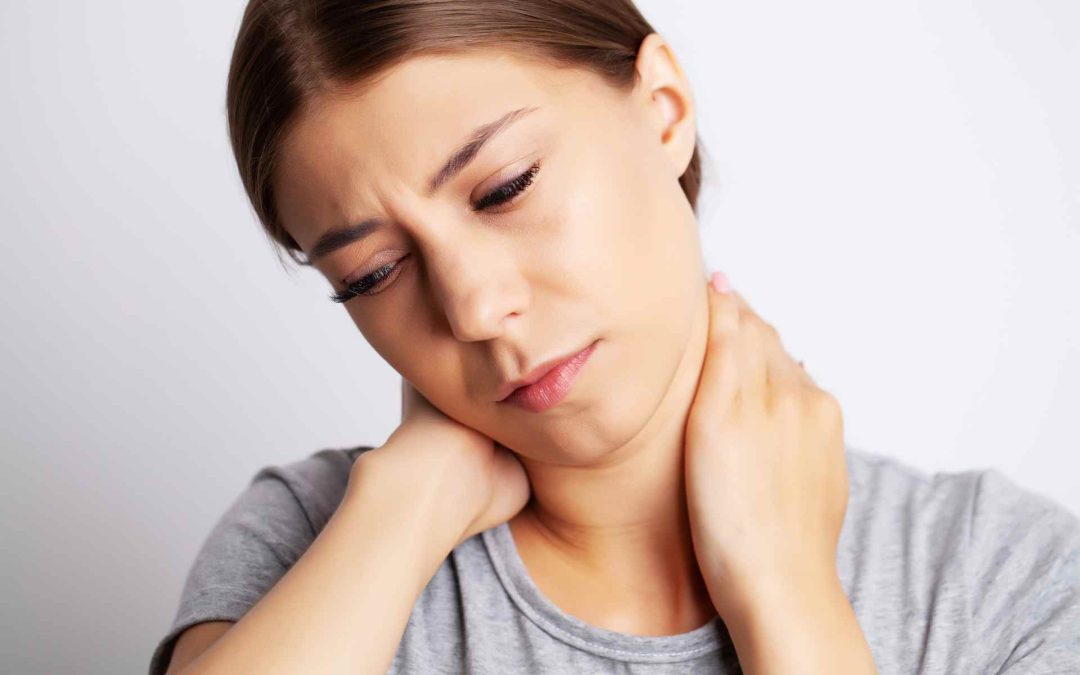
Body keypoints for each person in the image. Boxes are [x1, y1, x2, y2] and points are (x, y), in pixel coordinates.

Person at [150, 1, 1080, 673]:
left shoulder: (998, 575)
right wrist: (404, 510)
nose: (474, 310)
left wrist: (787, 590)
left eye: (505, 188)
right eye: (374, 273)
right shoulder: (309, 546)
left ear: (665, 109)